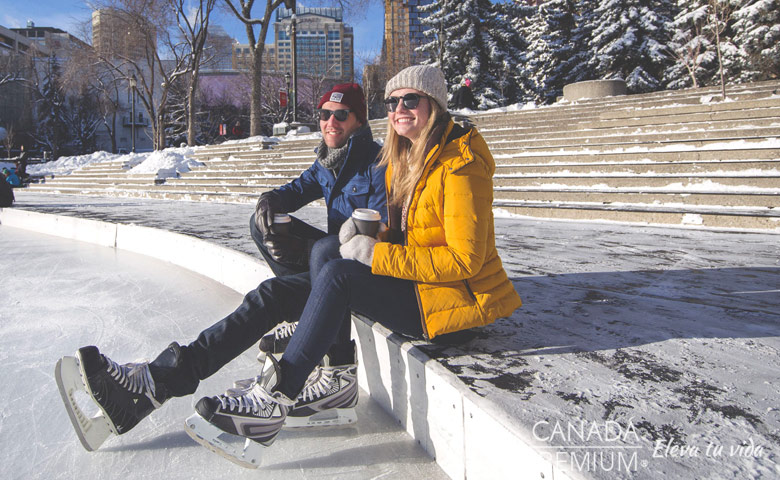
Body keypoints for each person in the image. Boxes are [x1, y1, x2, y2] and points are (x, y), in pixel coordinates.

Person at [187, 64, 522, 458]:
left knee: (339, 277)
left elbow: (465, 262)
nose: (399, 109)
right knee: (327, 251)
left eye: (410, 100)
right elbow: (411, 235)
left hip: (453, 308)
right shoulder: (411, 155)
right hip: (424, 288)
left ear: (434, 104)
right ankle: (336, 377)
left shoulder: (461, 166)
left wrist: (376, 253)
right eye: (392, 102)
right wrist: (365, 233)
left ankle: (274, 400)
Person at [58, 84, 387, 449]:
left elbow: (375, 242)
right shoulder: (329, 160)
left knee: (273, 293)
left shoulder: (376, 163)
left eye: (341, 115)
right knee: (262, 225)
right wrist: (269, 201)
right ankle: (155, 381)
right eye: (325, 114)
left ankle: (156, 384)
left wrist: (311, 248)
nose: (330, 122)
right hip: (333, 264)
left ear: (359, 120)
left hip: (357, 274)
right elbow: (295, 190)